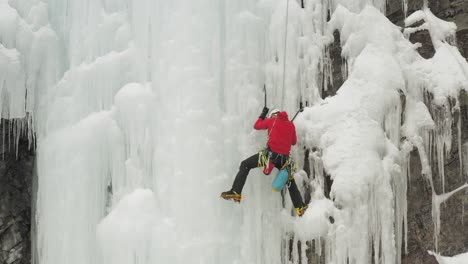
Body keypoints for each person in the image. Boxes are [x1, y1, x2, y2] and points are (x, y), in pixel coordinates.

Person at [220, 107, 308, 217]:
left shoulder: (272, 120)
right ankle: (300, 206)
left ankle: (236, 192)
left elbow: (257, 125)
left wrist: (263, 114)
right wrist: (288, 129)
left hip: (270, 156)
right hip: (284, 160)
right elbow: (293, 142)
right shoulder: (291, 125)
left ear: (274, 115)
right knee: (289, 181)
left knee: (245, 165)